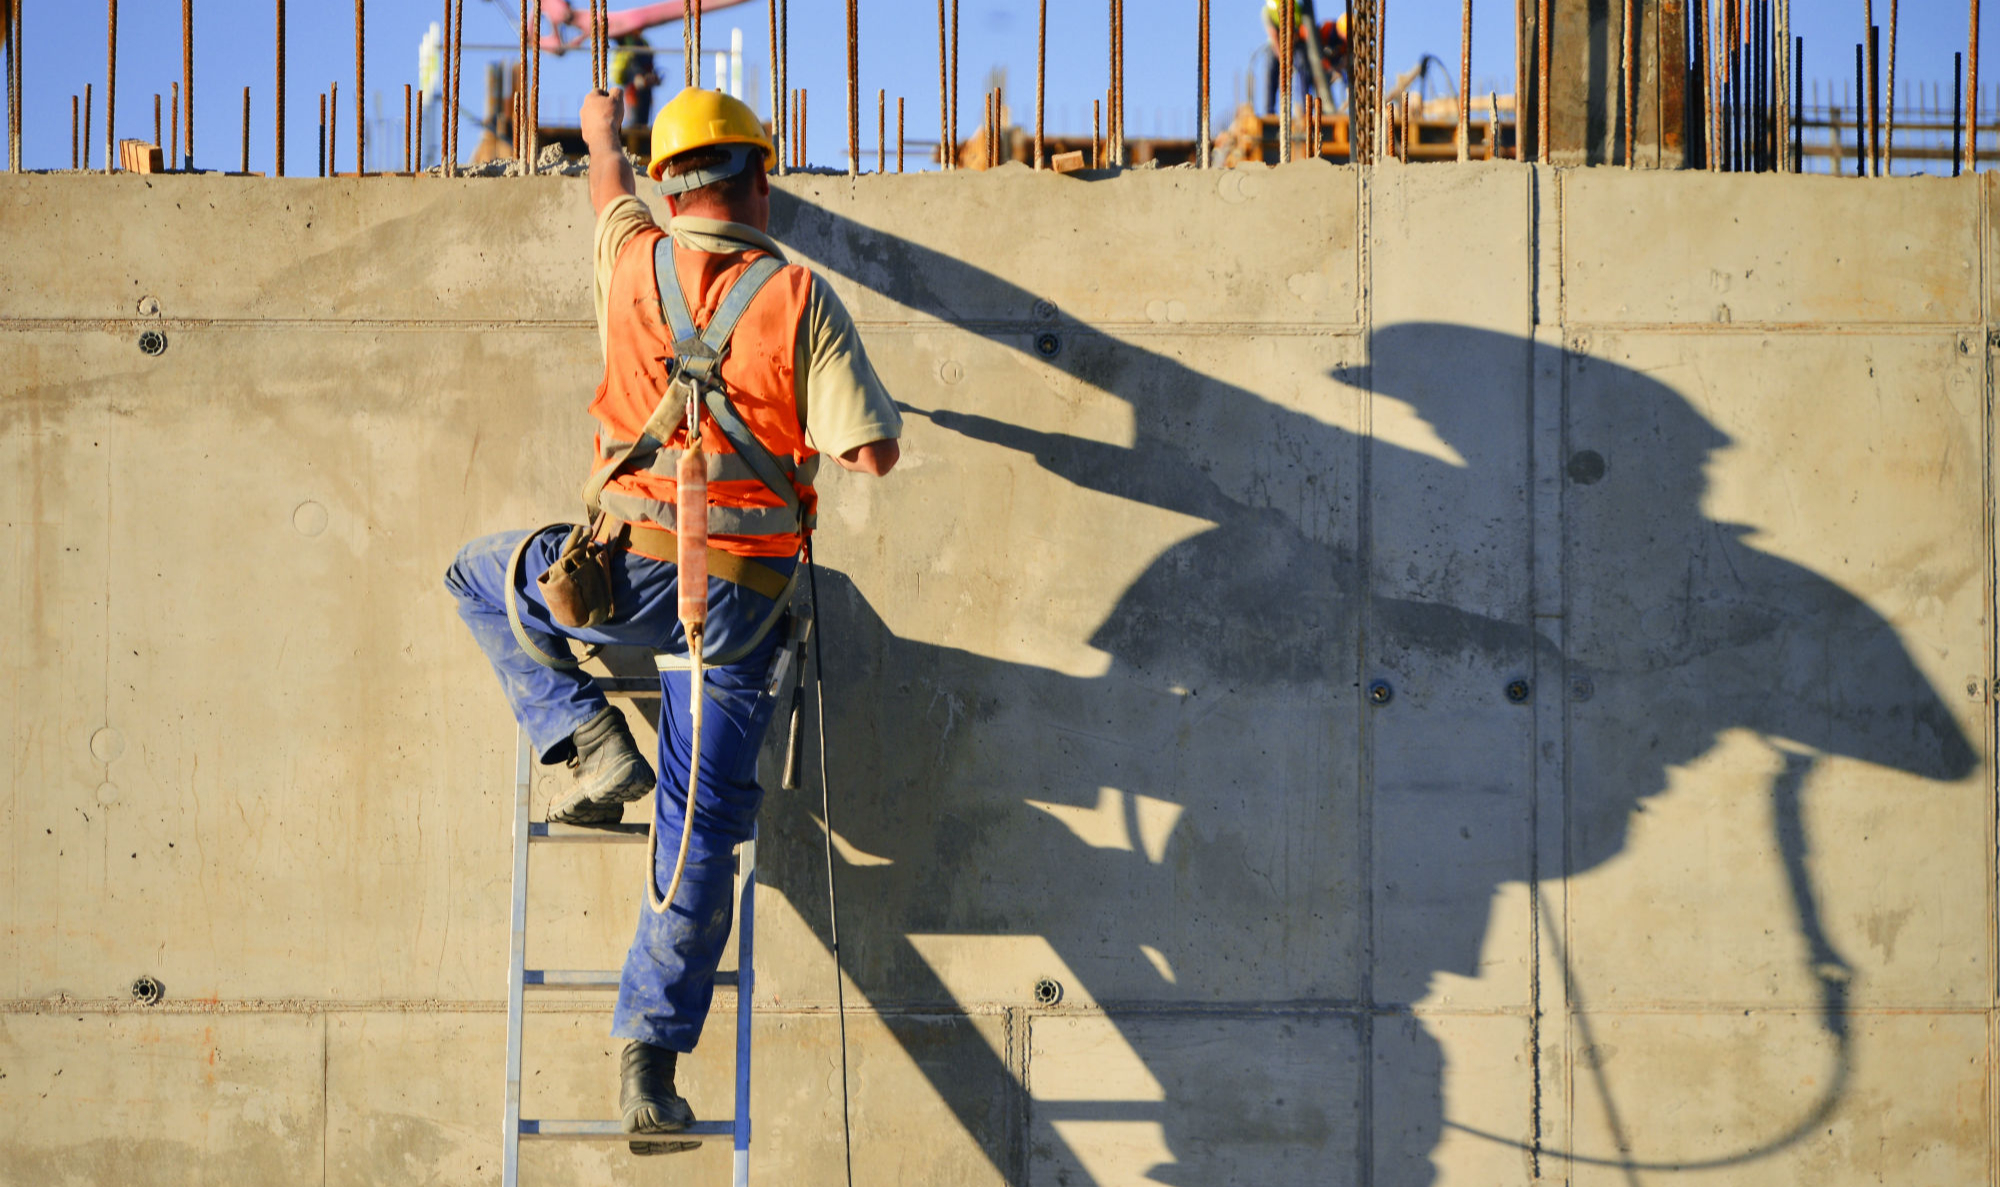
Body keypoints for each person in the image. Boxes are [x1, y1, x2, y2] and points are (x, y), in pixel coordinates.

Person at [443, 84, 902, 1154]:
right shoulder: (796, 296)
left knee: (479, 577)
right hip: (734, 611)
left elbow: (606, 187)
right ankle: (648, 1062)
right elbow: (869, 453)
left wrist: (602, 133)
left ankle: (590, 742)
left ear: (667, 182)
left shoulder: (629, 258)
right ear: (759, 183)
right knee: (697, 836)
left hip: (614, 587)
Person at [1263, 0, 1351, 117]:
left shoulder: (1296, 8)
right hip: (1278, 45)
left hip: (1298, 42)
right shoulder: (1328, 29)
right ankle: (1270, 111)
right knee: (1272, 71)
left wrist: (1335, 69)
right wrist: (1283, 59)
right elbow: (1273, 35)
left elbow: (1308, 35)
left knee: (1304, 69)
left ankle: (1306, 109)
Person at [611, 32, 661, 128]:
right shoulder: (629, 43)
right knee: (635, 121)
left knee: (642, 119)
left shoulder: (643, 43)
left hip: (644, 89)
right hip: (633, 90)